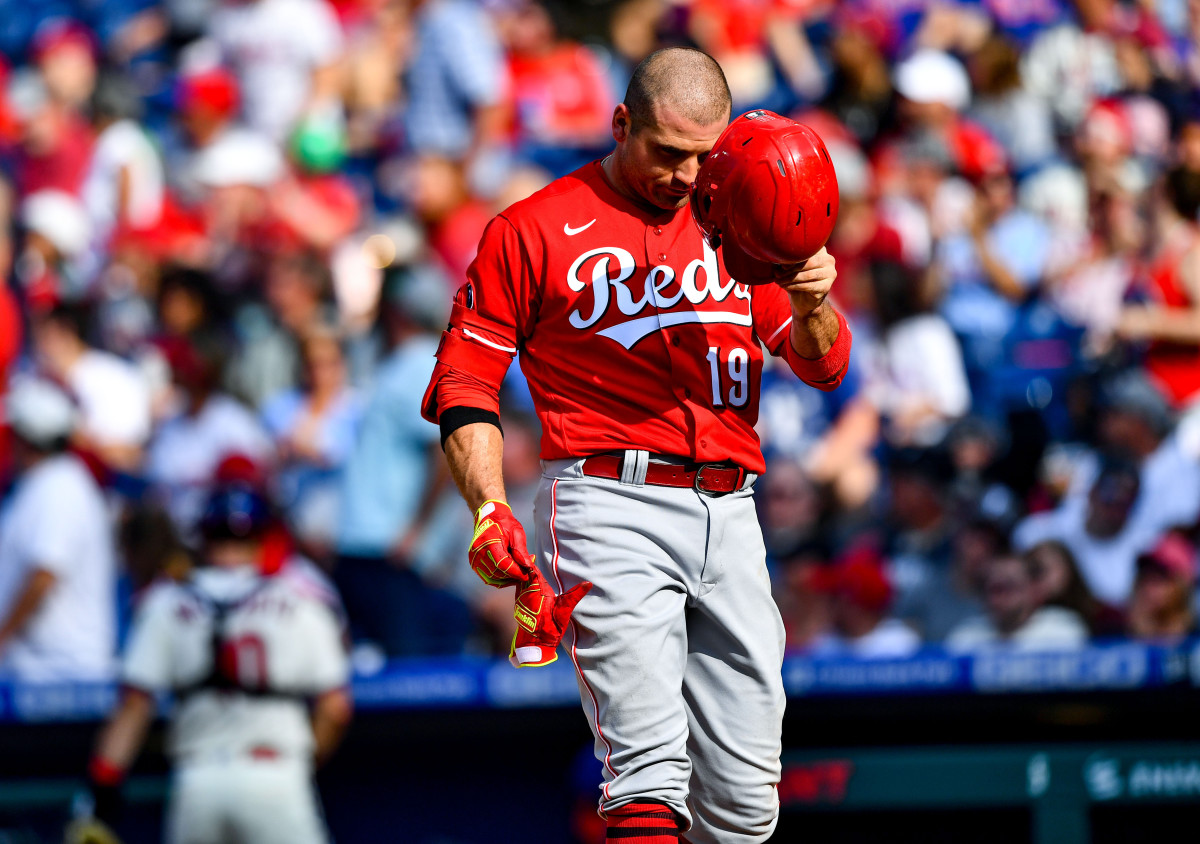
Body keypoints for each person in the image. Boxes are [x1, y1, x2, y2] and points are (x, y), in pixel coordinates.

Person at [422, 47, 849, 843]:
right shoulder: (534, 227)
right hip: (606, 497)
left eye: (702, 155)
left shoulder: (744, 213)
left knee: (746, 807)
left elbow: (824, 365)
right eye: (668, 152)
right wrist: (487, 504)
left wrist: (811, 296)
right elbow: (466, 380)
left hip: (733, 508)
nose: (688, 175)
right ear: (622, 124)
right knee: (648, 773)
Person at [75, 482, 352, 844]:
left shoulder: (166, 602)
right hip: (275, 772)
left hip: (198, 780)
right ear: (263, 536)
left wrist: (103, 792)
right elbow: (335, 709)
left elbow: (133, 707)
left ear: (203, 535)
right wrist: (301, 763)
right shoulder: (300, 601)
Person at [0, 377, 115, 680]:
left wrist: (1, 639)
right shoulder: (42, 484)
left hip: (59, 675)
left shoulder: (60, 488)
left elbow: (44, 574)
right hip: (37, 671)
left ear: (25, 438)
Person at [945, 553, 1089, 653]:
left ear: (1033, 589)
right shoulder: (965, 638)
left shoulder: (1063, 631)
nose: (1000, 597)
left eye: (1009, 586)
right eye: (994, 589)